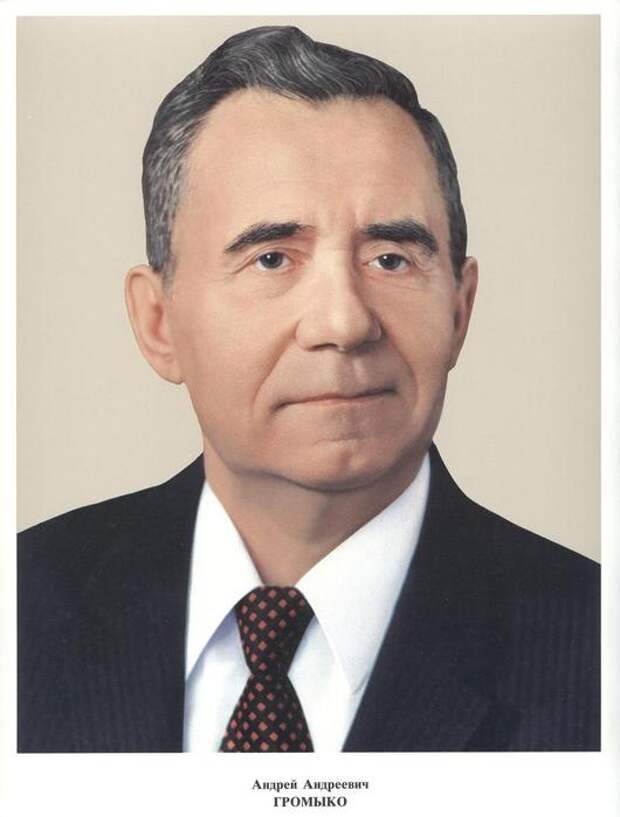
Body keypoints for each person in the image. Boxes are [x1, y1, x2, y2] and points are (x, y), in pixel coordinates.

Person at [18, 25, 599, 753]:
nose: (344, 322)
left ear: (459, 308)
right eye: (272, 258)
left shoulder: (593, 647)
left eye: (391, 258)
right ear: (158, 321)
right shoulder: (24, 605)